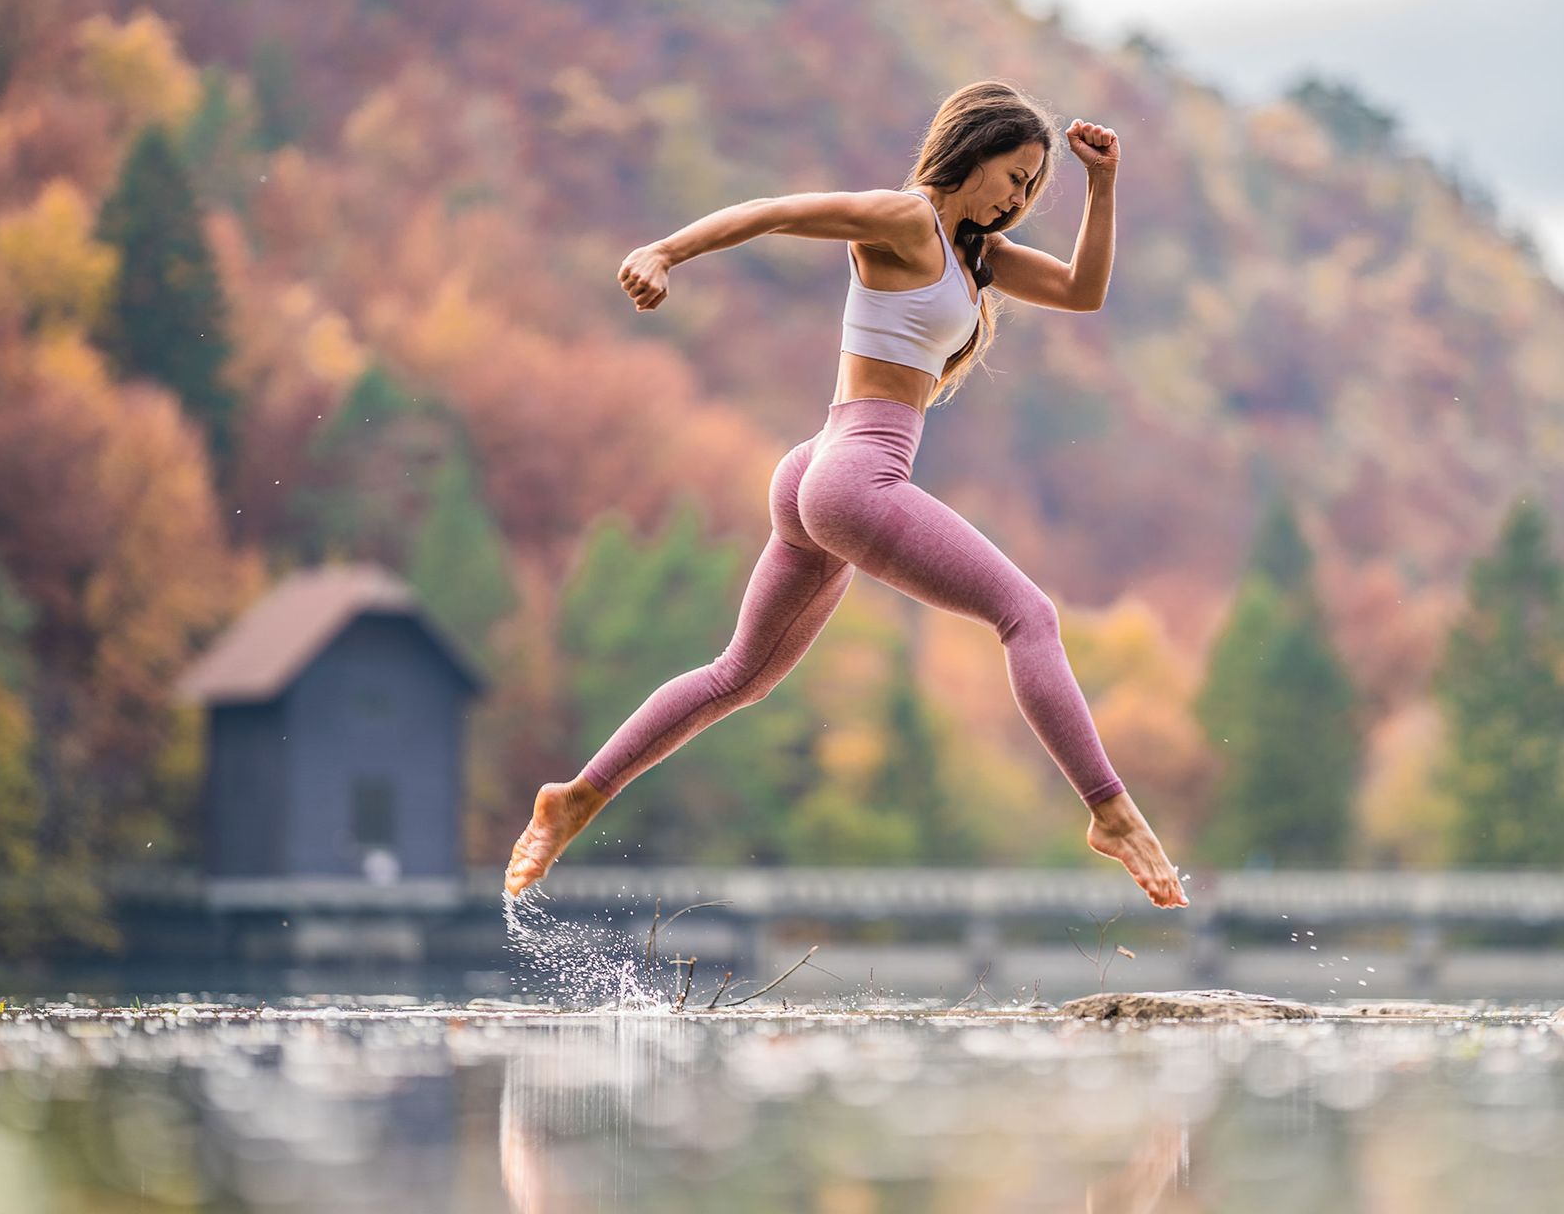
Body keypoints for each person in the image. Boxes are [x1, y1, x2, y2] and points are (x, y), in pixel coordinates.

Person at [505, 80, 1188, 908]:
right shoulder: (905, 220)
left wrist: (1103, 185)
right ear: (971, 154)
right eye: (1014, 176)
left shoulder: (980, 254)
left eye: (1032, 187)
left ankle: (576, 795)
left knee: (739, 676)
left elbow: (1084, 289)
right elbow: (774, 211)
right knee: (1029, 617)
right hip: (854, 474)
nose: (1019, 198)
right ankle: (1109, 809)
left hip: (819, 471)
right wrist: (664, 252)